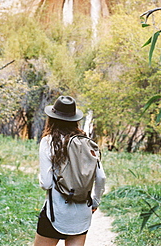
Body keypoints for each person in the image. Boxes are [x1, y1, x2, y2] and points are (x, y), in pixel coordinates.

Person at [34, 95, 106, 246]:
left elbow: (46, 183)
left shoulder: (49, 142)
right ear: (75, 119)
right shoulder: (87, 143)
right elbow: (101, 178)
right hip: (81, 214)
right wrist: (95, 202)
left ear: (52, 118)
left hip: (56, 213)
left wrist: (40, 177)